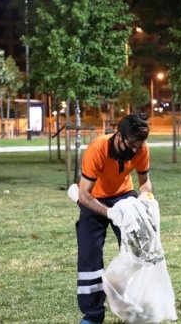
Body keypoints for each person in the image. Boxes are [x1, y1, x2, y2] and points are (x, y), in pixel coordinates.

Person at [74, 112, 153, 324]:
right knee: (89, 256)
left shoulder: (140, 148)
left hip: (125, 197)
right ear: (119, 135)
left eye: (139, 145)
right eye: (132, 144)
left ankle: (134, 310)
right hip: (94, 199)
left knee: (137, 252)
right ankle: (92, 315)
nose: (135, 150)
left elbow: (144, 182)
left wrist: (145, 200)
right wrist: (110, 213)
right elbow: (83, 194)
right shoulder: (97, 149)